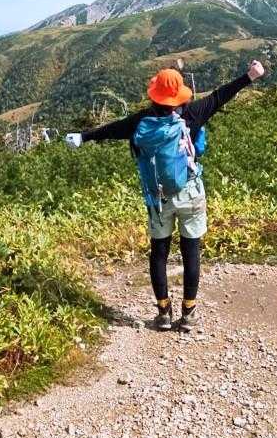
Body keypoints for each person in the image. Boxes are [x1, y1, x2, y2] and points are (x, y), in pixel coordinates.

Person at [65, 61, 265, 332]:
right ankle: (188, 313)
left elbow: (112, 129)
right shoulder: (191, 114)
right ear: (179, 95)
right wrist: (249, 76)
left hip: (158, 198)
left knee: (159, 253)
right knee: (190, 251)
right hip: (190, 193)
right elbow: (220, 96)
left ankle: (163, 313)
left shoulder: (141, 121)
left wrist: (83, 136)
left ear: (155, 94)